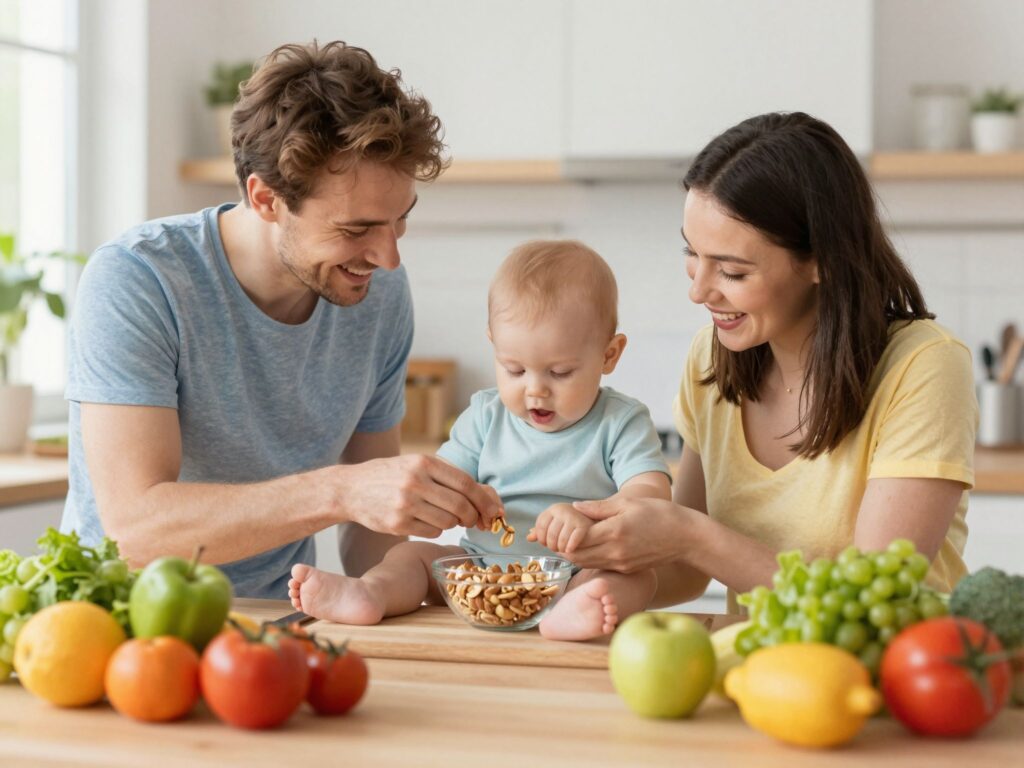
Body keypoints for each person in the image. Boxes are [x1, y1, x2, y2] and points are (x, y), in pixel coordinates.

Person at [60, 40, 502, 598]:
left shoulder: (379, 292)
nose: (389, 257)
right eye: (355, 228)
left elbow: (370, 536)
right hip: (120, 627)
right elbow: (137, 530)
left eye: (400, 220)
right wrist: (342, 491)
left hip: (275, 626)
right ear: (265, 198)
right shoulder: (138, 280)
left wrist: (458, 564)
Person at [561, 112, 977, 612]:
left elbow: (869, 601)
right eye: (692, 254)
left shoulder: (924, 366)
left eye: (732, 272)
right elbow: (684, 572)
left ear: (820, 259)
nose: (698, 290)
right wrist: (589, 575)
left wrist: (691, 535)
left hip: (890, 681)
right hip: (753, 679)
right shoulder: (710, 360)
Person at [289, 240, 672, 640]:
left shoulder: (620, 421)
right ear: (494, 344)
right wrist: (457, 500)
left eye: (560, 373)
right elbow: (440, 481)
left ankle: (575, 608)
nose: (535, 390)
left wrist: (591, 516)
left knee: (636, 577)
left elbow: (651, 498)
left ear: (609, 355)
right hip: (480, 571)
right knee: (411, 557)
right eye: (515, 369)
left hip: (578, 568)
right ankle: (370, 594)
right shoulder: (486, 415)